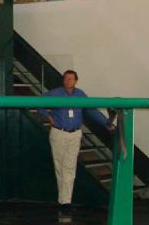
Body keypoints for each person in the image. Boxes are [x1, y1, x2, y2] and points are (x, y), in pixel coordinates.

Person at [39, 70, 114, 217]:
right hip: (59, 132)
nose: (68, 81)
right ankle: (63, 201)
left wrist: (107, 124)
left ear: (76, 80)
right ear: (63, 80)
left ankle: (65, 202)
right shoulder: (55, 93)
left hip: (75, 134)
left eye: (71, 79)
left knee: (70, 167)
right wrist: (47, 116)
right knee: (60, 166)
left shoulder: (80, 94)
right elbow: (38, 102)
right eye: (66, 78)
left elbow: (92, 111)